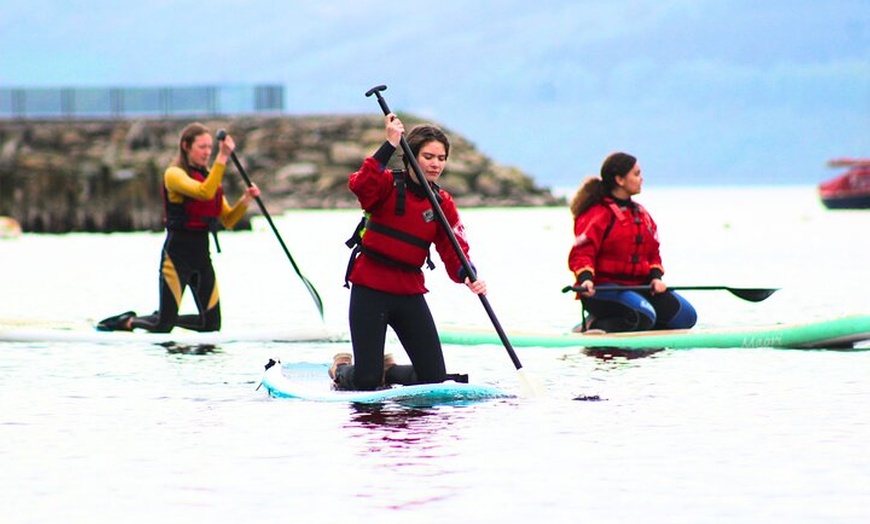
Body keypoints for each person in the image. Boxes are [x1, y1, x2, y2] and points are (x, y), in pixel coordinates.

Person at [332, 113, 486, 390]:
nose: (436, 164)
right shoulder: (386, 184)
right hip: (370, 289)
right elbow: (360, 184)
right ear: (411, 157)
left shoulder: (442, 203)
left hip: (409, 291)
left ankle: (388, 370)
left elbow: (454, 247)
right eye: (428, 157)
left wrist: (467, 273)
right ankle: (341, 369)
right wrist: (389, 144)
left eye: (441, 158)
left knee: (434, 378)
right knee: (366, 380)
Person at [97, 123, 260, 333]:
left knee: (211, 325)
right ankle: (129, 322)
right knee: (163, 327)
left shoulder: (210, 178)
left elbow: (228, 220)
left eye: (210, 147)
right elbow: (204, 193)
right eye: (202, 147)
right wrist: (222, 157)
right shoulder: (174, 175)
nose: (207, 152)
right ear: (186, 146)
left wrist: (246, 200)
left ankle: (160, 316)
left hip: (202, 259)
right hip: (176, 259)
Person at [567, 152, 697, 333]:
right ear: (620, 180)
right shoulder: (597, 213)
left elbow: (653, 253)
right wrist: (585, 279)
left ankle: (637, 326)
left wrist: (656, 278)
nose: (641, 179)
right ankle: (592, 324)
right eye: (636, 174)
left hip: (640, 287)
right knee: (644, 315)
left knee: (686, 317)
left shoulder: (641, 214)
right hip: (601, 291)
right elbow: (582, 253)